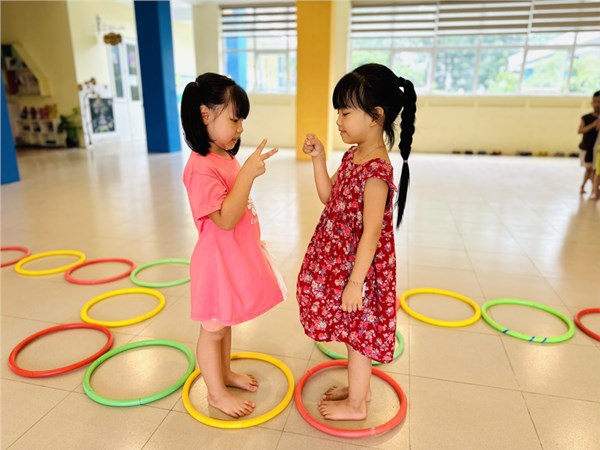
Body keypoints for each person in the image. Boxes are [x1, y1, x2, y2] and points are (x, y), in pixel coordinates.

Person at [296, 63, 416, 421]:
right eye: (338, 112)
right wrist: (319, 159)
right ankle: (358, 390)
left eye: (345, 112)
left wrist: (355, 283)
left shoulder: (377, 171)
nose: (338, 121)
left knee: (358, 334)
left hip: (359, 270)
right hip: (342, 262)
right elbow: (329, 196)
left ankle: (356, 405)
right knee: (352, 330)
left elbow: (372, 232)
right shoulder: (352, 156)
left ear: (376, 116)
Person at [180, 73, 285, 418]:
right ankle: (215, 394)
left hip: (231, 259)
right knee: (212, 331)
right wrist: (247, 174)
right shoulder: (200, 168)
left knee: (224, 324)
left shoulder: (225, 157)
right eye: (234, 119)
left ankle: (223, 374)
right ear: (204, 115)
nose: (240, 128)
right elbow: (224, 219)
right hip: (215, 264)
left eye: (242, 121)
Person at [577, 90, 600, 194]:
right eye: (595, 102)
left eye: (599, 102)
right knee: (589, 169)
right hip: (586, 148)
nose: (597, 104)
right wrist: (592, 125)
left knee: (594, 170)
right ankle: (592, 188)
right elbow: (580, 130)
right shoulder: (586, 118)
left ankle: (590, 188)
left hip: (596, 149)